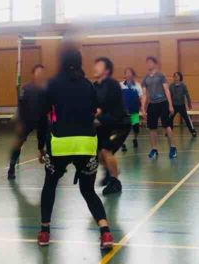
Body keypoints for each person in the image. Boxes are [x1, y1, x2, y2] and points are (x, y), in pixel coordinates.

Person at [37, 45, 114, 249]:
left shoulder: (52, 84)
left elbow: (43, 117)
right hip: (86, 144)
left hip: (60, 144)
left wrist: (40, 145)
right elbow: (94, 111)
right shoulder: (88, 85)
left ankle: (45, 232)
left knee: (50, 185)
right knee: (88, 190)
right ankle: (105, 232)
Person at [93, 57, 131, 195]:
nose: (95, 67)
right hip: (105, 125)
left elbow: (106, 107)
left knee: (106, 150)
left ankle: (115, 182)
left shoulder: (112, 84)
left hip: (119, 124)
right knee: (97, 153)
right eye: (95, 65)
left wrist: (98, 115)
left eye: (99, 65)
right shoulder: (94, 86)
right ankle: (110, 170)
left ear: (107, 70)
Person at [8, 64, 48, 180]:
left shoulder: (47, 89)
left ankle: (51, 165)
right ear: (33, 74)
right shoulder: (26, 88)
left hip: (42, 121)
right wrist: (19, 122)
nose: (40, 74)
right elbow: (20, 106)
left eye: (42, 72)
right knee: (18, 143)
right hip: (27, 120)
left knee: (45, 144)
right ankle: (11, 168)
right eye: (38, 72)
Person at [142, 56, 177, 159]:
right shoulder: (145, 78)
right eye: (147, 62)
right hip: (152, 105)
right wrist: (143, 108)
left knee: (167, 126)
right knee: (152, 128)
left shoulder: (161, 75)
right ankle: (154, 149)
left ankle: (173, 147)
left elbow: (167, 90)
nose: (148, 64)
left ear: (155, 64)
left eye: (150, 62)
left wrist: (170, 105)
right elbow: (144, 94)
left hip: (163, 103)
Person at [120, 67, 142, 151]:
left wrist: (142, 108)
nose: (128, 74)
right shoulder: (120, 85)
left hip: (134, 111)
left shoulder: (137, 85)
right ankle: (122, 143)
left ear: (133, 75)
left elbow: (141, 97)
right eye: (127, 73)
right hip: (124, 112)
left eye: (130, 73)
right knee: (123, 128)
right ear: (125, 75)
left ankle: (135, 139)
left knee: (136, 128)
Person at [169, 72, 197, 137]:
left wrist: (189, 104)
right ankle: (170, 131)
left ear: (180, 77)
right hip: (174, 105)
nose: (176, 77)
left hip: (181, 105)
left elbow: (187, 95)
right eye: (174, 76)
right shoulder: (171, 86)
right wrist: (169, 105)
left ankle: (192, 131)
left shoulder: (183, 86)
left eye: (177, 76)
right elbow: (169, 96)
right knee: (170, 118)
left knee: (186, 119)